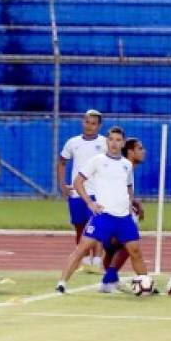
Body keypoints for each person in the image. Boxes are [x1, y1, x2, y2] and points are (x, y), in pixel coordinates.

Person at [55, 126, 148, 294]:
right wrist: (90, 203)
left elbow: (128, 188)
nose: (114, 143)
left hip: (123, 218)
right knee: (82, 248)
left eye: (118, 140)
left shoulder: (126, 165)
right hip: (103, 216)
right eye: (111, 139)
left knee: (135, 251)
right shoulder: (97, 161)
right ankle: (62, 283)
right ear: (107, 141)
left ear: (123, 143)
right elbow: (77, 182)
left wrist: (130, 204)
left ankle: (147, 283)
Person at [58, 109, 106, 271]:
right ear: (82, 122)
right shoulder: (73, 142)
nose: (89, 126)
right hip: (77, 193)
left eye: (93, 123)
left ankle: (98, 260)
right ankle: (84, 260)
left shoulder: (105, 143)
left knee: (97, 226)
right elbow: (62, 162)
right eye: (87, 122)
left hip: (97, 193)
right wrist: (62, 184)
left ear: (99, 126)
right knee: (80, 226)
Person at [99, 137, 146, 292]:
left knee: (113, 248)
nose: (143, 151)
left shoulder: (126, 167)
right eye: (140, 148)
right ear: (130, 152)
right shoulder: (123, 165)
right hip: (114, 212)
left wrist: (135, 202)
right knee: (128, 244)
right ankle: (109, 279)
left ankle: (109, 280)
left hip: (114, 210)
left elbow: (126, 191)